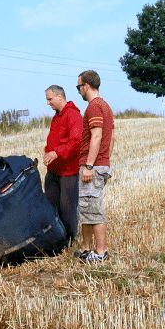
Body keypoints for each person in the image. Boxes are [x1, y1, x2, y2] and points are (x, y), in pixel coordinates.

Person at [74, 70, 114, 263]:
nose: (78, 91)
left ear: (86, 86)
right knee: (87, 208)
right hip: (101, 163)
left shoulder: (94, 107)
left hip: (93, 165)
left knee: (94, 210)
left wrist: (90, 165)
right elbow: (112, 137)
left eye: (78, 87)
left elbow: (97, 136)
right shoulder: (105, 106)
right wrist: (106, 160)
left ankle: (100, 252)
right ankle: (86, 248)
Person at [43, 84, 82, 244]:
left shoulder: (73, 115)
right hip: (53, 172)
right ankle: (55, 239)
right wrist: (47, 151)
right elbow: (53, 140)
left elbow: (76, 141)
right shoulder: (56, 117)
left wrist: (56, 153)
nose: (48, 103)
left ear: (60, 97)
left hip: (68, 172)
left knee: (67, 209)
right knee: (51, 206)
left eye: (49, 99)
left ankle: (70, 240)